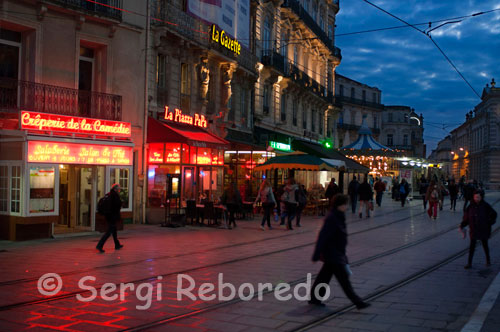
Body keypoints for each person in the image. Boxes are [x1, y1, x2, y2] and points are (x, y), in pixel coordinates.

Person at [309, 194, 370, 309]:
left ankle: (314, 298)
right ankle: (358, 302)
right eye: (346, 204)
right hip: (333, 254)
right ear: (340, 205)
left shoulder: (338, 216)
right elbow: (323, 236)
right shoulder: (332, 218)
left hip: (336, 254)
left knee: (324, 278)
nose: (347, 207)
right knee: (344, 281)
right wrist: (316, 254)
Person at [460, 190, 497, 269]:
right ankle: (469, 263)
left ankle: (488, 260)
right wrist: (462, 225)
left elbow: (494, 214)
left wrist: (489, 222)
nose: (476, 199)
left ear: (481, 197)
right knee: (472, 247)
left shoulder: (485, 206)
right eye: (475, 197)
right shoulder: (470, 206)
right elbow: (466, 217)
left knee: (485, 245)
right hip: (474, 229)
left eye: (478, 197)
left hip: (483, 229)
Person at [96, 184, 123, 253]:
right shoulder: (114, 196)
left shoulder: (109, 194)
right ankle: (100, 245)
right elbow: (117, 206)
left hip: (108, 215)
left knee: (114, 230)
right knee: (109, 231)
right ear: (115, 189)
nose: (119, 190)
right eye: (118, 189)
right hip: (112, 216)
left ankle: (117, 244)